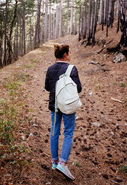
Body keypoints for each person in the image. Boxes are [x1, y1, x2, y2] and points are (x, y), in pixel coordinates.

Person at [45, 43, 82, 180]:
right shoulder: (72, 69)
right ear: (65, 54)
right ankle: (63, 163)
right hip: (67, 106)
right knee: (68, 132)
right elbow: (78, 88)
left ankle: (54, 162)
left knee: (54, 132)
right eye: (70, 53)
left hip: (54, 106)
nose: (70, 55)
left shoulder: (50, 69)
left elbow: (47, 87)